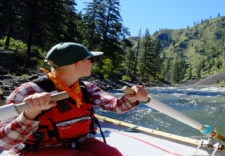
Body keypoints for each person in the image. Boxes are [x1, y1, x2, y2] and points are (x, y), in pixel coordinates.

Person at [0, 42, 149, 156]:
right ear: (77, 64)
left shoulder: (87, 88)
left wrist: (131, 97)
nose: (92, 62)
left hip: (81, 143)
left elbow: (115, 106)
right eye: (89, 59)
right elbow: (4, 142)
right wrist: (29, 115)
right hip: (38, 149)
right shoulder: (27, 91)